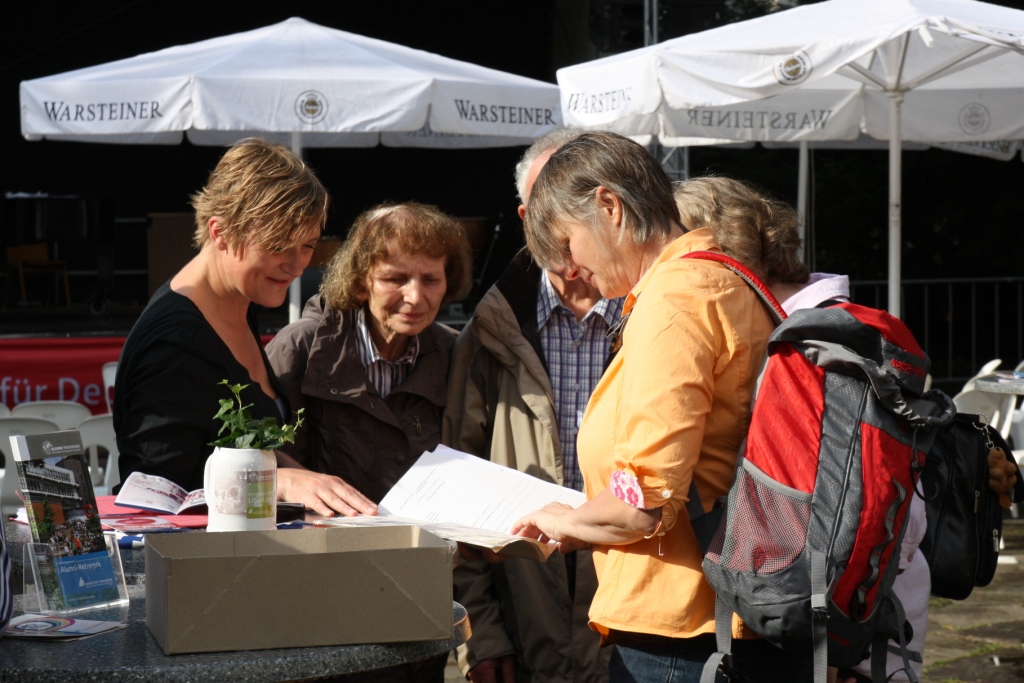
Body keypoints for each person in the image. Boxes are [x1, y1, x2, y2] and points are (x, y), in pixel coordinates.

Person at [511, 131, 810, 683]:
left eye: (568, 244)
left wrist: (565, 521)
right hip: (725, 617)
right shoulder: (721, 277)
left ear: (609, 206)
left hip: (685, 631)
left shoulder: (676, 296)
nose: (569, 269)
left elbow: (641, 501)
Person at [673, 175, 923, 683]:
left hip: (821, 625)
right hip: (873, 607)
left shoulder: (797, 346)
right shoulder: (850, 326)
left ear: (716, 251)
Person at [114, 138, 376, 517]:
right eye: (278, 245)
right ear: (220, 232)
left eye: (307, 245)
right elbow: (155, 495)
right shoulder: (174, 343)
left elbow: (244, 446)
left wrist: (310, 481)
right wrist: (279, 481)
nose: (297, 266)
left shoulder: (236, 300)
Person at [265, 201, 471, 683]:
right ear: (361, 280)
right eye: (395, 278)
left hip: (419, 605)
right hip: (317, 607)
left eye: (431, 279)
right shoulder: (300, 349)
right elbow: (252, 464)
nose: (415, 296)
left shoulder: (455, 354)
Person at [444, 129, 621, 683]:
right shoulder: (489, 332)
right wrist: (482, 634)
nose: (565, 227)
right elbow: (456, 496)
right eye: (550, 206)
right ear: (526, 216)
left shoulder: (657, 320)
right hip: (523, 636)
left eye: (578, 203)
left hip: (633, 633)